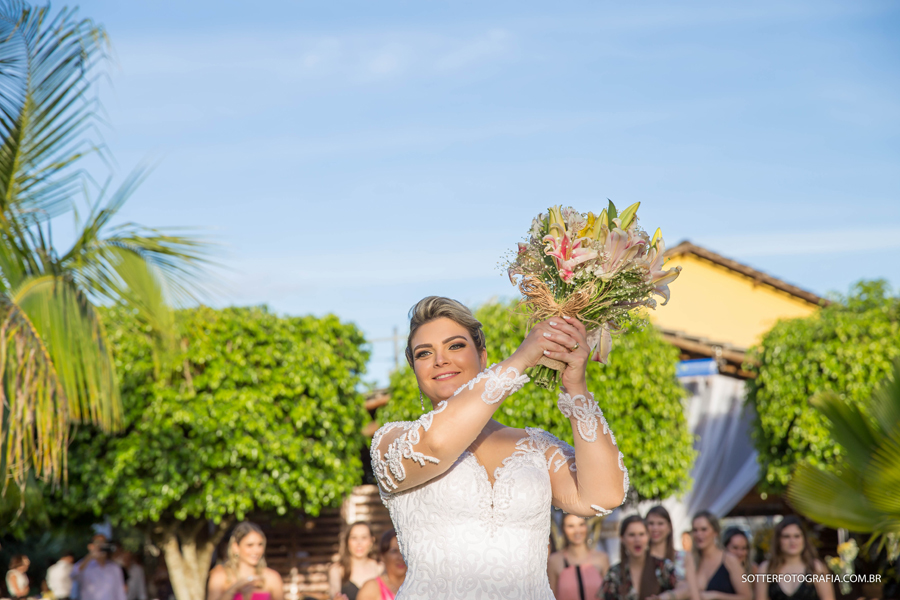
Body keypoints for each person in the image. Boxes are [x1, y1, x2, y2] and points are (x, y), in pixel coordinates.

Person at [370, 297, 629, 599]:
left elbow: (604, 495)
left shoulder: (536, 446)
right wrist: (522, 359)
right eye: (424, 353)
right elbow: (437, 443)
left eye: (455, 346)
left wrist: (575, 386)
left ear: (483, 357)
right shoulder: (393, 441)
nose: (440, 360)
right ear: (415, 369)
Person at [754, 516, 834, 600]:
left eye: (797, 536)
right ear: (778, 540)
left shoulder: (816, 567)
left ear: (804, 539)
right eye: (786, 536)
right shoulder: (766, 568)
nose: (792, 541)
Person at [599, 515, 677, 600]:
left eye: (641, 534)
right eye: (632, 535)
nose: (637, 539)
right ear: (622, 538)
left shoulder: (662, 566)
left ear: (648, 537)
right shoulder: (614, 573)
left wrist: (663, 597)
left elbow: (685, 587)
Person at [207, 521, 284, 600]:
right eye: (250, 545)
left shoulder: (272, 577)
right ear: (236, 547)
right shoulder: (220, 577)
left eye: (260, 544)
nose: (256, 550)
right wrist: (234, 589)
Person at [690, 511, 751, 600]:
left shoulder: (729, 560)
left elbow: (747, 597)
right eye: (695, 530)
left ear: (715, 532)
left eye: (704, 529)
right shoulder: (692, 561)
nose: (699, 534)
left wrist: (717, 596)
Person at [548, 514, 610, 600]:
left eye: (581, 524)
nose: (577, 531)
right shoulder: (554, 561)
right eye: (571, 526)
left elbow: (609, 594)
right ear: (563, 529)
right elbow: (550, 596)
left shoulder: (602, 558)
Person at [646, 506, 700, 600]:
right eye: (651, 523)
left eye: (660, 523)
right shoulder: (641, 558)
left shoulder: (684, 557)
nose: (655, 528)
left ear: (669, 527)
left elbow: (693, 593)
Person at [329, 522, 383, 600]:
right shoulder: (336, 570)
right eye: (354, 538)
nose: (359, 543)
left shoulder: (380, 568)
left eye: (364, 537)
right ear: (347, 541)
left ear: (371, 541)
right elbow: (333, 595)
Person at [72, 534, 126, 600]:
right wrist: (90, 556)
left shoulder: (115, 568)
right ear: (90, 546)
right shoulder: (85, 566)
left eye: (104, 543)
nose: (101, 545)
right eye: (97, 542)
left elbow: (120, 592)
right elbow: (74, 574)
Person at [356, 530, 406, 600]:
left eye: (403, 551)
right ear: (382, 556)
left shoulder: (419, 585)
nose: (401, 557)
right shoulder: (372, 588)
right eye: (394, 551)